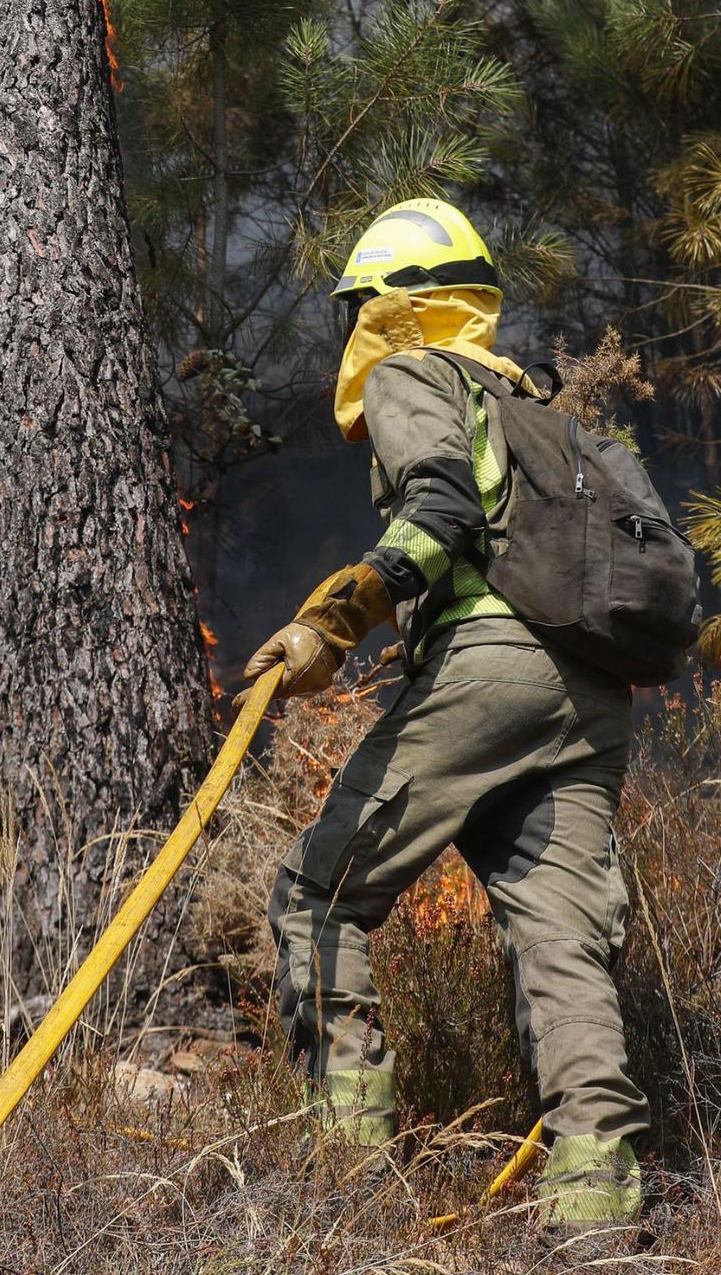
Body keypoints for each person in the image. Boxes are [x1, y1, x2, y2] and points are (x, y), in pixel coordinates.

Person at [241, 199, 647, 1235]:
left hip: (494, 668)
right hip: (593, 696)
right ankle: (597, 1207)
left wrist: (340, 614)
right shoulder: (546, 411)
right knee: (563, 941)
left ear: (393, 307)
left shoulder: (412, 370)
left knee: (315, 890)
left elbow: (443, 506)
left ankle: (348, 1178)